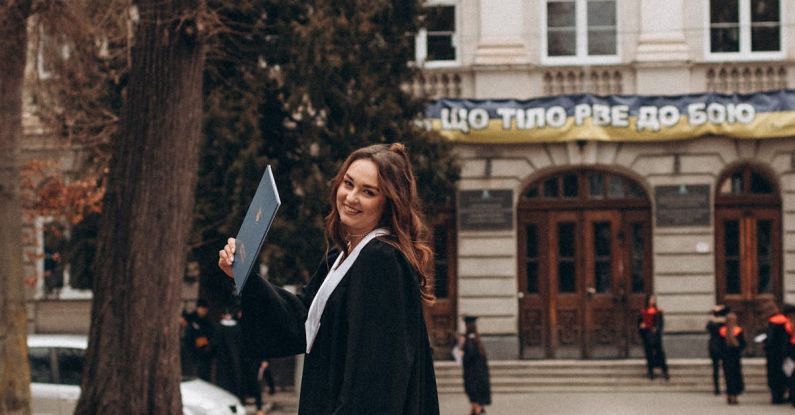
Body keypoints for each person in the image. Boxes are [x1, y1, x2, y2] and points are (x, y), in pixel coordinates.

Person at [218, 143, 439, 414]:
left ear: (389, 203)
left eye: (368, 192)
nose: (351, 197)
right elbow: (301, 319)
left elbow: (375, 379)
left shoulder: (381, 260)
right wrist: (245, 276)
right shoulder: (343, 256)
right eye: (349, 183)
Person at [761, 300, 792, 404]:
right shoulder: (786, 320)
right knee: (787, 374)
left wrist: (765, 344)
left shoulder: (774, 322)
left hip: (774, 354)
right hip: (787, 352)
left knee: (775, 376)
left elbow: (771, 340)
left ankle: (777, 398)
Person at [212, 307, 245, 401]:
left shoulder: (218, 328)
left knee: (223, 381)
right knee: (235, 380)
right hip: (235, 359)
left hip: (222, 359)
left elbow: (214, 343)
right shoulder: (237, 327)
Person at [462, 316, 491, 415]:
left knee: (476, 404)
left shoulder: (470, 340)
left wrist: (462, 353)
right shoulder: (477, 339)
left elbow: (470, 356)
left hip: (473, 376)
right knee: (476, 404)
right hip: (480, 375)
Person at [638, 294, 669, 380]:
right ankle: (650, 371)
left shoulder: (658, 312)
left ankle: (665, 370)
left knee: (660, 353)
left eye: (654, 299)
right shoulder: (643, 312)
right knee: (649, 354)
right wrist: (642, 326)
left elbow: (661, 324)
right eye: (651, 299)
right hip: (647, 335)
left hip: (656, 336)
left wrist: (657, 329)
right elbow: (639, 324)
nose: (653, 301)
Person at [183, 299, 214, 381]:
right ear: (198, 308)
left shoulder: (207, 321)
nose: (204, 311)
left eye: (205, 309)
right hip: (192, 352)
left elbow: (209, 334)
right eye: (202, 309)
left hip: (203, 353)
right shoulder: (191, 319)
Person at [720, 312, 746, 405]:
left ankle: (730, 395)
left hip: (727, 358)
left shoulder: (724, 331)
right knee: (734, 377)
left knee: (729, 378)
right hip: (734, 357)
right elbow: (743, 344)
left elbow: (720, 346)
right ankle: (733, 396)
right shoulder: (736, 331)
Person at [706, 304, 729, 395]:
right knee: (724, 368)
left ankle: (717, 389)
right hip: (721, 347)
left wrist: (713, 313)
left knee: (717, 369)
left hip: (716, 347)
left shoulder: (713, 323)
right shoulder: (724, 323)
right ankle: (724, 388)